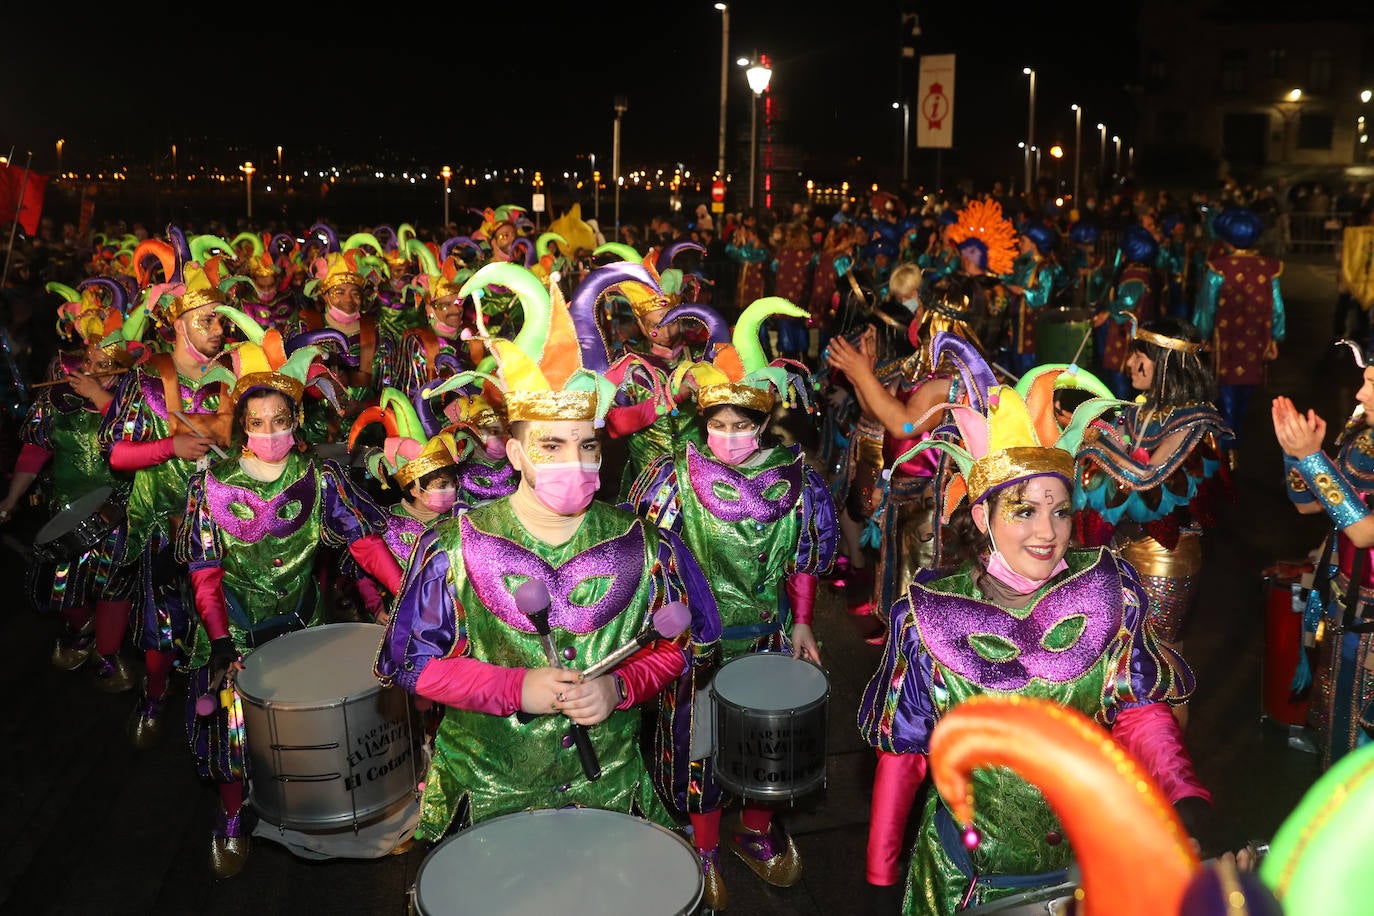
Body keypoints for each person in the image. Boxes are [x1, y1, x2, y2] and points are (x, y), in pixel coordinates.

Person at [374, 261, 719, 846]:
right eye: (551, 446)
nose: (575, 464)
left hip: (609, 792)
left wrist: (621, 687)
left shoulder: (645, 543)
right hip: (487, 797)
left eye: (587, 446)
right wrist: (515, 688)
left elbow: (681, 645)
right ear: (514, 453)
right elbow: (410, 665)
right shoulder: (453, 548)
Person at [857, 361, 1216, 915]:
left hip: (1083, 878)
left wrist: (1183, 795)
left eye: (1060, 511)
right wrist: (881, 879)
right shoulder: (929, 617)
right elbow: (905, 756)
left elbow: (1139, 712)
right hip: (962, 884)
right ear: (983, 515)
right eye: (1024, 511)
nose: (1046, 533)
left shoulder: (1108, 595)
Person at [627, 296, 836, 911]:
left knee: (764, 740)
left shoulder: (796, 477)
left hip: (768, 635)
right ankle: (706, 843)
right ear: (703, 422)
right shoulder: (674, 477)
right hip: (700, 642)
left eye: (742, 426)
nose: (730, 437)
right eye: (719, 424)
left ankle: (755, 832)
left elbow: (801, 556)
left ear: (763, 425)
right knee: (701, 745)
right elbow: (651, 559)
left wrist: (802, 621)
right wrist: (666, 620)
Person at [177, 311, 403, 877]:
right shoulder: (212, 485)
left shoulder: (320, 479)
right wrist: (221, 640)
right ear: (242, 425)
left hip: (303, 625)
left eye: (280, 420)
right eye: (258, 421)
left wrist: (405, 596)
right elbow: (204, 573)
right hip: (229, 628)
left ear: (295, 420)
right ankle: (233, 819)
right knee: (232, 736)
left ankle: (318, 809)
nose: (270, 431)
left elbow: (364, 543)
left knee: (315, 733)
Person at [100, 241, 238, 748]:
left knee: (225, 629)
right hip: (162, 526)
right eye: (206, 322)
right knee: (162, 629)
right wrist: (168, 446)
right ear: (178, 324)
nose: (218, 331)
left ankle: (228, 723)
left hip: (225, 525)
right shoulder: (149, 380)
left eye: (221, 321)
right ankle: (155, 693)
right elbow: (115, 454)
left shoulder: (234, 376)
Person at [1074, 316, 1234, 731]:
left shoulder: (1198, 422)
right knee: (1116, 657)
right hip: (1120, 549)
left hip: (1166, 556)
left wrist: (1097, 442)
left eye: (1138, 356)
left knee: (1160, 660)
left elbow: (1149, 478)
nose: (1128, 364)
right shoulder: (1144, 410)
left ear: (1163, 363)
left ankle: (1167, 768)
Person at [1, 280, 144, 689]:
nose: (93, 371)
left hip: (119, 510)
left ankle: (109, 651)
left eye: (106, 366)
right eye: (90, 361)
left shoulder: (134, 403)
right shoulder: (57, 397)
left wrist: (103, 398)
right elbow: (34, 450)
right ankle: (80, 629)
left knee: (113, 582)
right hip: (64, 506)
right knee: (65, 584)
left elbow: (138, 445)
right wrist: (11, 499)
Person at [1273, 340, 1374, 770]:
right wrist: (1295, 455)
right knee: (1339, 731)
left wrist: (1312, 459)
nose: (1359, 394)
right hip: (1345, 604)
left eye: (1371, 384)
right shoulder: (1365, 441)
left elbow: (1363, 531)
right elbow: (1309, 503)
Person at [1192, 206, 1285, 446]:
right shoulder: (1268, 268)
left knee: (1226, 394)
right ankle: (1234, 439)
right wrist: (1274, 337)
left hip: (1227, 342)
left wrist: (1200, 336)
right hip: (1255, 342)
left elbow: (1206, 307)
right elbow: (1277, 307)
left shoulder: (1218, 268)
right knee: (1244, 394)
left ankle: (1227, 447)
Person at [1094, 225, 1161, 399]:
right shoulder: (1146, 272)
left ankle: (1121, 417)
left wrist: (1108, 312)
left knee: (1121, 381)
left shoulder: (1133, 276)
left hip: (1125, 336)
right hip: (1137, 332)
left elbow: (1126, 304)